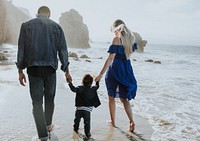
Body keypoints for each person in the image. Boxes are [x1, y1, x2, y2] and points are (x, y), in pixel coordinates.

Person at [16, 6, 72, 141]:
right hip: (50, 69)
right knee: (50, 99)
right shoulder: (56, 27)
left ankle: (42, 136)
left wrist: (20, 70)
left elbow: (21, 49)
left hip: (33, 69)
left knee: (36, 102)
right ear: (49, 15)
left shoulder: (26, 26)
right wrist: (66, 70)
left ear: (38, 13)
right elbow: (63, 50)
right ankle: (48, 127)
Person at [95, 19, 137, 133]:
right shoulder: (131, 39)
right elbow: (128, 55)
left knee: (111, 97)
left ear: (116, 29)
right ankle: (131, 121)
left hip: (115, 69)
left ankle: (113, 122)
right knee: (124, 99)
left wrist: (100, 74)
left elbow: (110, 58)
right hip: (127, 70)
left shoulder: (116, 39)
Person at [68, 74, 101, 138]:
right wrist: (97, 81)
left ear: (83, 81)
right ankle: (87, 133)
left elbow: (73, 89)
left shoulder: (80, 88)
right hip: (87, 111)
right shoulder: (93, 89)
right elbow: (97, 86)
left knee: (77, 120)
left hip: (79, 109)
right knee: (87, 123)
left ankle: (75, 129)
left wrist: (70, 82)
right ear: (91, 83)